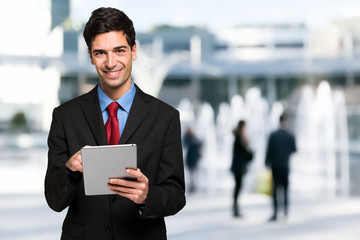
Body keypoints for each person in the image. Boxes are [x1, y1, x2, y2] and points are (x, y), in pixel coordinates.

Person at [44, 7, 186, 240]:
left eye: (119, 50)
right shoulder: (65, 116)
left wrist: (147, 196)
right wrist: (69, 171)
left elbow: (176, 196)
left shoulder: (166, 117)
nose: (111, 63)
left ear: (133, 51)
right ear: (90, 56)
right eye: (100, 53)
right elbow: (53, 200)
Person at [265, 113, 296, 222]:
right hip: (285, 166)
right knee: (285, 190)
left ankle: (275, 213)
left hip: (275, 166)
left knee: (275, 190)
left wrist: (267, 163)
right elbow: (294, 150)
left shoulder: (273, 135)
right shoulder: (290, 135)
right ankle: (286, 212)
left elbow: (268, 151)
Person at [230, 120, 253, 217]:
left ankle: (236, 208)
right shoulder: (240, 139)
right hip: (239, 167)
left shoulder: (238, 138)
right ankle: (235, 210)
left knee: (238, 187)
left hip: (238, 167)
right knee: (238, 188)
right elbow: (247, 154)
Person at [183, 127, 202, 193]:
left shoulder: (189, 138)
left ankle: (192, 186)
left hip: (190, 159)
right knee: (193, 173)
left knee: (191, 174)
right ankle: (193, 186)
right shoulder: (192, 139)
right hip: (193, 159)